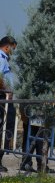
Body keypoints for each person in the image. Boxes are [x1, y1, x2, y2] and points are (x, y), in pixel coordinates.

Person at [0, 36, 17, 173]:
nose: (13, 51)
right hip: (3, 97)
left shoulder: (4, 58)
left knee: (7, 127)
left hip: (6, 96)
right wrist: (7, 90)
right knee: (5, 127)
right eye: (13, 48)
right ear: (7, 46)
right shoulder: (1, 58)